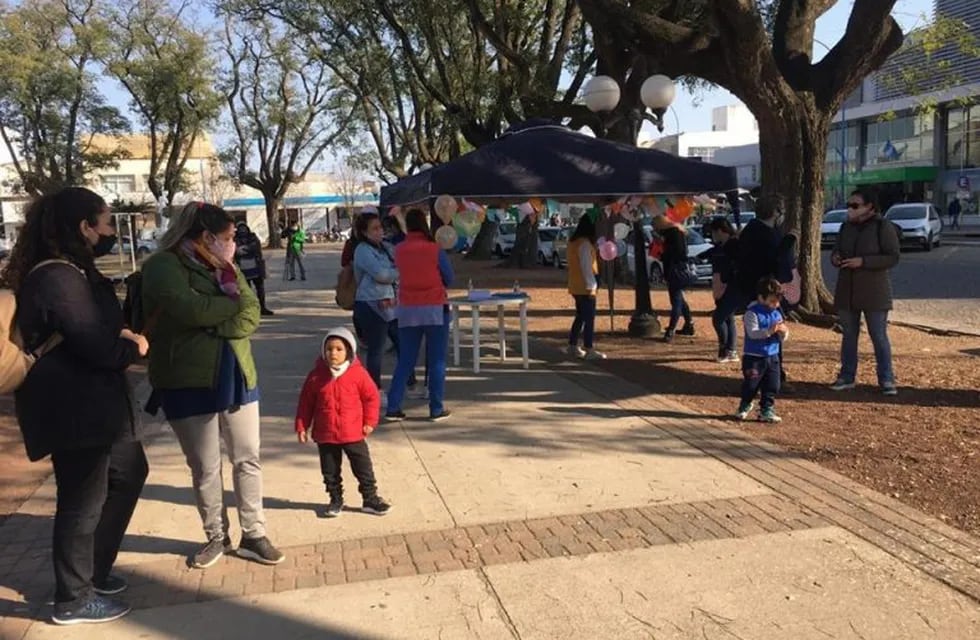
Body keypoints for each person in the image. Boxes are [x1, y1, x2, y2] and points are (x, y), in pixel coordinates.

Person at [3, 187, 149, 625]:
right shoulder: (58, 277)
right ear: (85, 227)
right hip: (74, 407)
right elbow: (93, 343)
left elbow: (92, 327)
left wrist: (117, 336)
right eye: (105, 222)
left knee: (128, 472)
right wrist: (133, 347)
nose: (110, 231)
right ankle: (73, 597)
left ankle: (93, 572)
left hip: (97, 406)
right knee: (83, 498)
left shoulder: (74, 272)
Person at [142, 202, 284, 569]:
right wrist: (226, 309)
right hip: (186, 380)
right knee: (205, 467)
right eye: (227, 238)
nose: (232, 244)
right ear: (205, 237)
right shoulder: (162, 267)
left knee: (247, 458)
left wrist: (217, 318)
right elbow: (191, 310)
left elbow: (250, 313)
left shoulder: (227, 266)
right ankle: (215, 536)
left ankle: (254, 533)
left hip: (236, 373)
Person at [295, 327, 390, 517]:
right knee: (330, 471)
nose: (333, 353)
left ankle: (370, 499)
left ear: (349, 351)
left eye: (339, 349)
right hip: (326, 434)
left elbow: (372, 397)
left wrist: (370, 421)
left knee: (363, 468)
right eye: (329, 349)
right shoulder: (316, 376)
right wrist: (302, 426)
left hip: (353, 432)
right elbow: (305, 403)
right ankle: (335, 499)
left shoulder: (358, 374)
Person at [830, 188, 900, 396]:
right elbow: (836, 249)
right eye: (848, 205)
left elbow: (893, 257)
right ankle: (847, 376)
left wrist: (864, 262)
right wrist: (836, 258)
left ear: (869, 207)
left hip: (874, 292)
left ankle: (886, 379)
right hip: (847, 290)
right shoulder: (845, 227)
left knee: (878, 336)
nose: (850, 209)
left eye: (855, 205)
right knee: (849, 336)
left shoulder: (882, 227)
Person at [385, 209, 453, 422]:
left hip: (407, 308)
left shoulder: (399, 250)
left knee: (406, 359)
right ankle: (435, 407)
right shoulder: (434, 249)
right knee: (436, 360)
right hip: (434, 306)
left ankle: (393, 405)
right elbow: (449, 278)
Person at [352, 212, 406, 394]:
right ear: (364, 232)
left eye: (380, 227)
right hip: (370, 304)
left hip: (390, 303)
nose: (379, 231)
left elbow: (400, 259)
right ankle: (375, 390)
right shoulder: (362, 251)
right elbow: (381, 275)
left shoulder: (385, 247)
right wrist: (397, 272)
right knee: (377, 349)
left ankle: (409, 382)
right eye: (374, 229)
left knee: (402, 343)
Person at [736, 277, 789, 424]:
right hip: (754, 357)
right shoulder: (751, 313)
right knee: (751, 385)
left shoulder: (777, 314)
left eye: (777, 302)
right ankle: (745, 403)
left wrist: (783, 333)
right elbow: (753, 333)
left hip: (773, 356)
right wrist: (769, 331)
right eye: (772, 301)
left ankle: (766, 409)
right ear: (761, 298)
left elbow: (783, 335)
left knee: (773, 385)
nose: (775, 305)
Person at [566, 214, 605, 360]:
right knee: (589, 318)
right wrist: (592, 286)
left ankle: (572, 344)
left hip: (575, 284)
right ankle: (589, 348)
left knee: (580, 316)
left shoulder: (573, 242)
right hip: (586, 285)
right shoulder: (584, 244)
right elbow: (586, 267)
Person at [657, 215, 694, 342]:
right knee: (679, 298)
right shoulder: (675, 233)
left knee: (676, 300)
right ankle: (689, 323)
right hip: (675, 269)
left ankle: (671, 330)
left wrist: (662, 253)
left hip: (675, 270)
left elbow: (677, 253)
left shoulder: (674, 234)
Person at [708, 218, 740, 363]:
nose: (713, 236)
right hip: (723, 284)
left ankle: (725, 348)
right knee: (728, 317)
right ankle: (731, 350)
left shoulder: (732, 245)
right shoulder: (722, 246)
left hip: (730, 285)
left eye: (714, 232)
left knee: (718, 318)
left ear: (720, 231)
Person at [234, 222, 273, 316]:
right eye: (240, 229)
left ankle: (262, 307)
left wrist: (244, 249)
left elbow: (255, 248)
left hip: (256, 267)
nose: (243, 231)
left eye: (244, 229)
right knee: (247, 291)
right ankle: (250, 309)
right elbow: (235, 251)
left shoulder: (253, 237)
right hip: (242, 268)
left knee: (260, 289)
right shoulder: (234, 239)